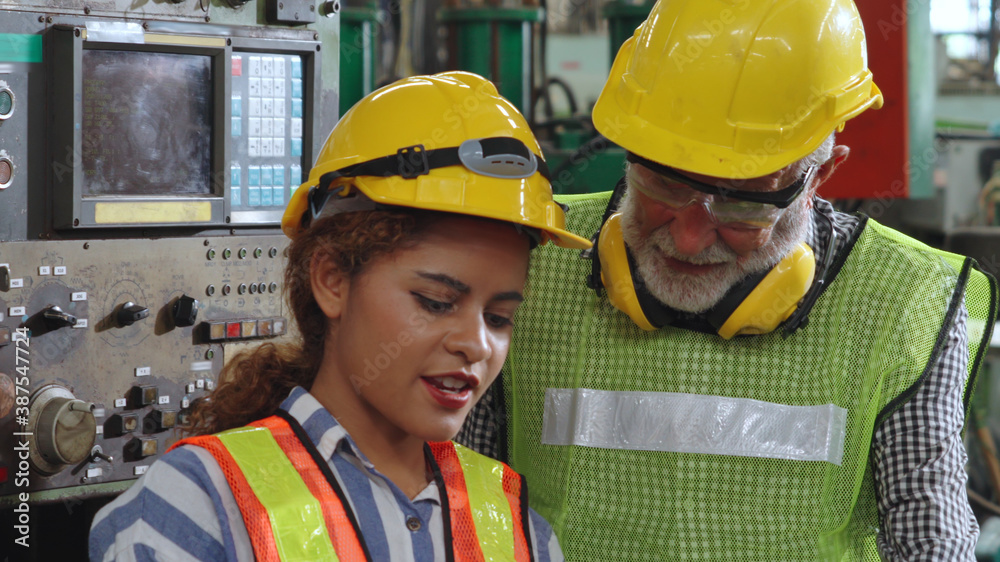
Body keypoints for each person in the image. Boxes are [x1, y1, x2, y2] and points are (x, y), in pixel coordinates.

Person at [458, 0, 998, 560]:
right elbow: (461, 516)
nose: (690, 238)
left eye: (743, 203)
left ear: (822, 175)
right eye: (664, 184)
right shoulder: (535, 256)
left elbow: (929, 542)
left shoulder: (900, 299)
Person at [89, 71, 591, 561]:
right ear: (332, 279)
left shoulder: (514, 521)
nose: (477, 344)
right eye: (436, 303)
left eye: (499, 317)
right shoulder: (195, 511)